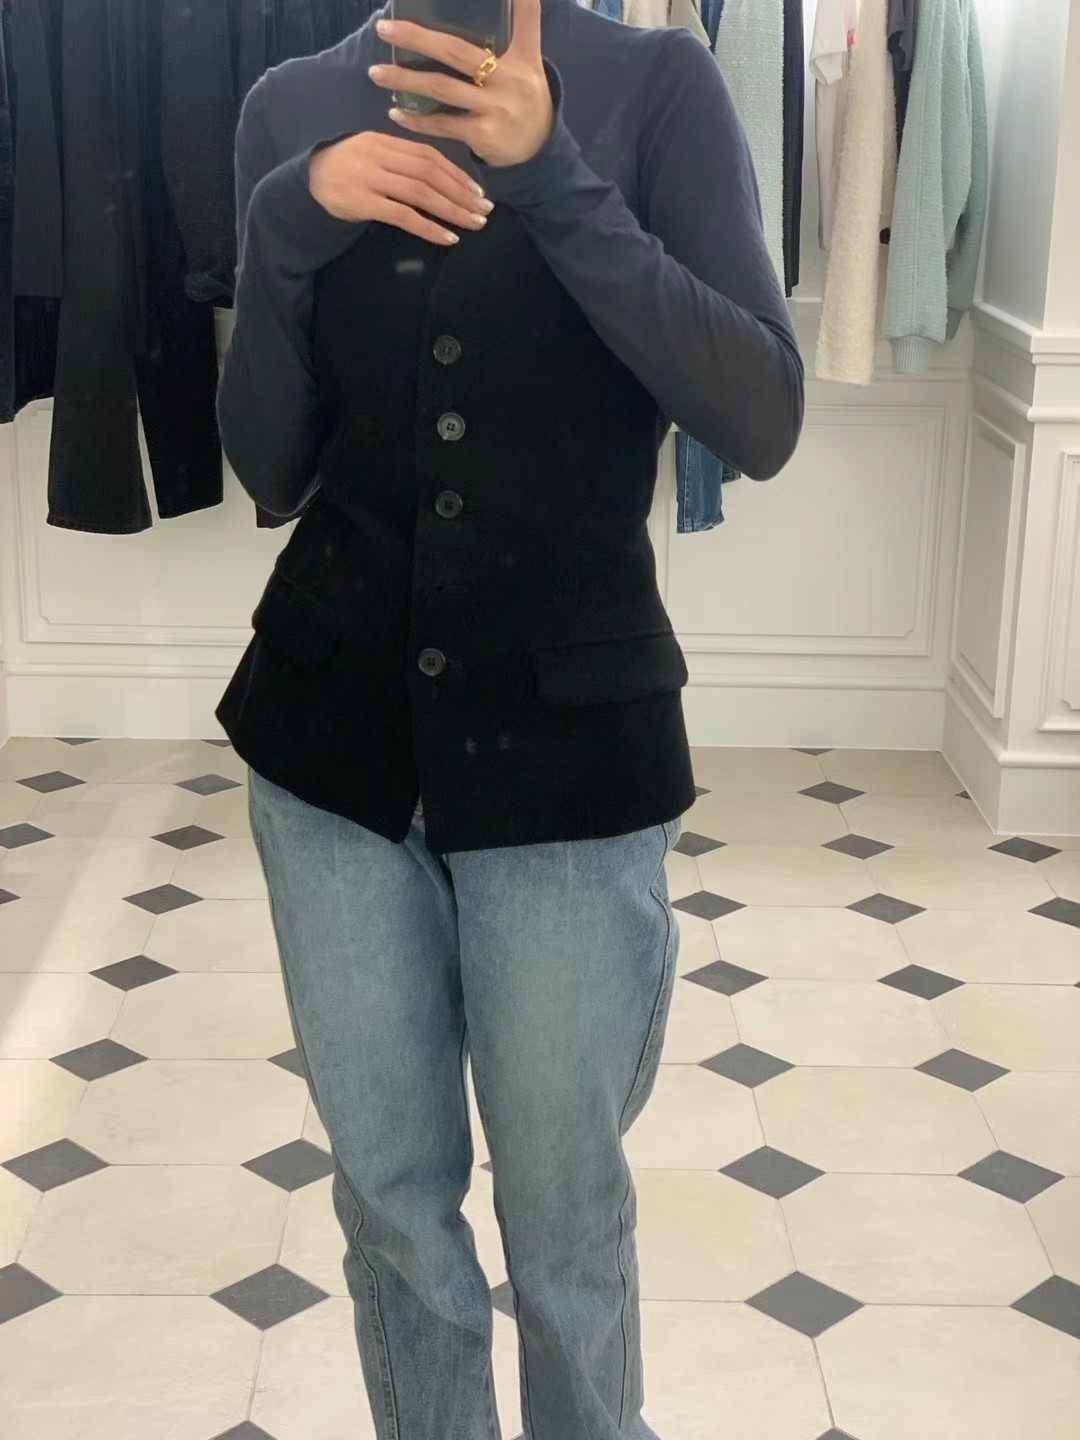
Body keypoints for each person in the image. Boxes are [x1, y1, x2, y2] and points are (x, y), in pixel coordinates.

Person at [216, 0, 803, 1433]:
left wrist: (553, 175)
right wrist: (286, 223)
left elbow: (760, 415)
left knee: (564, 1225)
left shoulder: (657, 86)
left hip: (570, 757)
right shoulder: (292, 103)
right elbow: (270, 469)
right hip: (331, 747)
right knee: (391, 1208)